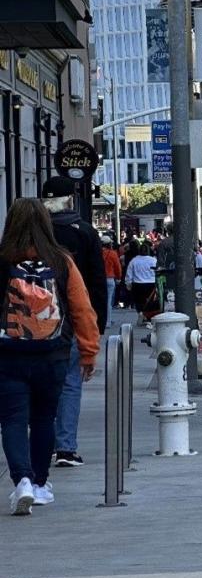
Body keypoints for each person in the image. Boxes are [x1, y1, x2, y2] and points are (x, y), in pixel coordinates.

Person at [0, 197, 100, 515]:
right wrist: (88, 352)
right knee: (44, 418)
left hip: (8, 354)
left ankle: (22, 481)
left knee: (13, 420)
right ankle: (41, 484)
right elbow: (82, 310)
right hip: (53, 354)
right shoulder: (61, 261)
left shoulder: (2, 260)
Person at [41, 177, 106, 471]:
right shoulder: (85, 233)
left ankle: (41, 445)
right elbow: (96, 283)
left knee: (38, 388)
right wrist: (97, 328)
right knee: (70, 385)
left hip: (33, 324)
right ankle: (65, 447)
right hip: (72, 323)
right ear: (71, 200)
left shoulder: (33, 234)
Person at [124, 244, 158, 325]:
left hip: (138, 284)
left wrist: (128, 283)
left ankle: (140, 313)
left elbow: (129, 273)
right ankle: (148, 317)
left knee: (139, 302)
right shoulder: (153, 260)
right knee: (150, 302)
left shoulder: (134, 261)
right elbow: (157, 272)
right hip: (151, 283)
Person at [101, 238, 122, 321]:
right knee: (109, 300)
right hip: (110, 278)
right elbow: (117, 267)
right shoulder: (112, 254)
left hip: (100, 279)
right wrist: (119, 277)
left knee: (101, 300)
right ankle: (108, 321)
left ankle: (101, 319)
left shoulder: (98, 253)